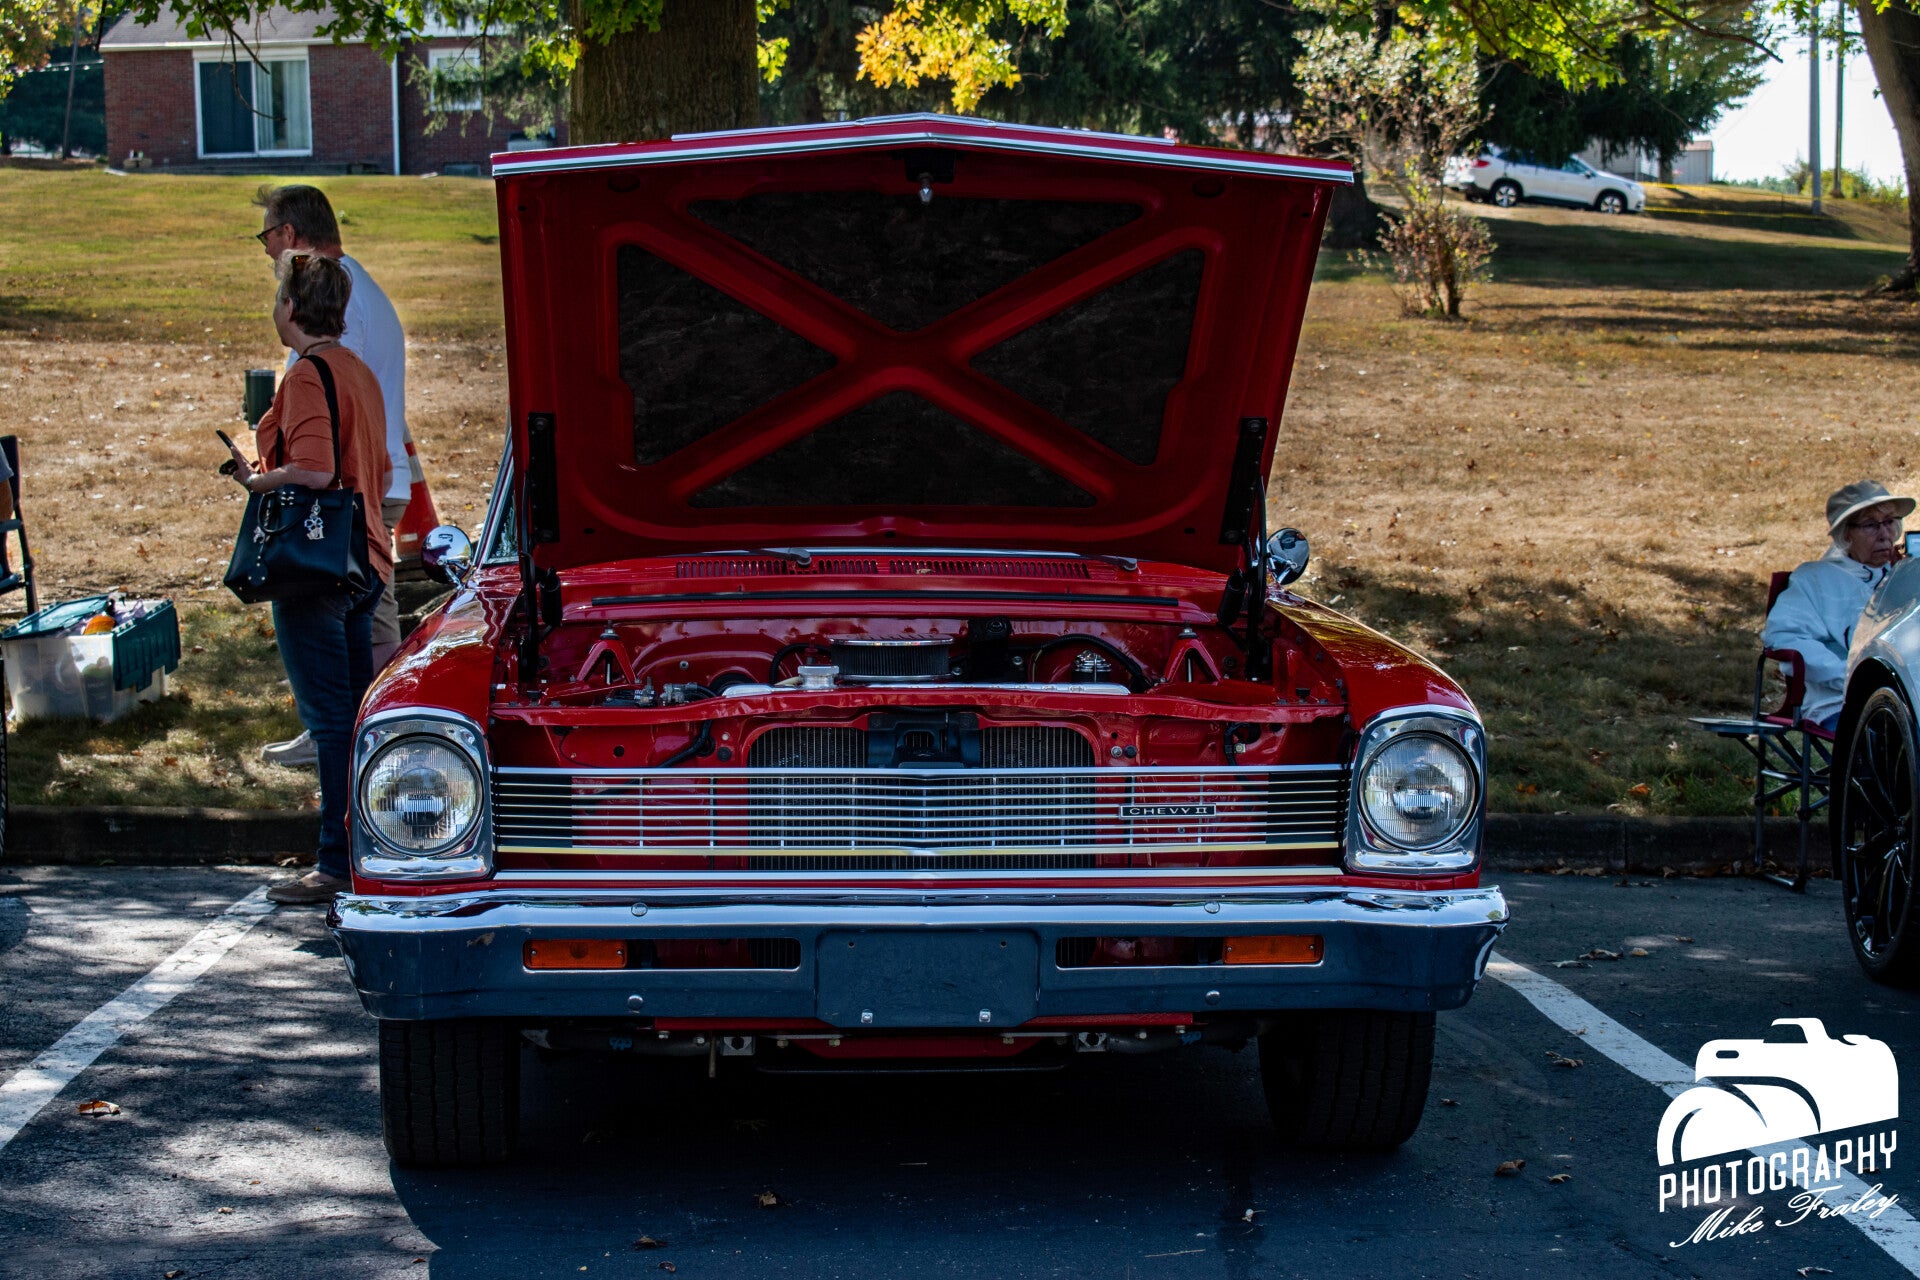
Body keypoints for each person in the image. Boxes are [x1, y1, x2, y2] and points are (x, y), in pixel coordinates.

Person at [226, 252, 394, 906]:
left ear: (292, 309)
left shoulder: (304, 376)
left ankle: (333, 861)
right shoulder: (357, 372)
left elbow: (318, 471)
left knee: (327, 719)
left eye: (277, 300)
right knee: (354, 718)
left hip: (314, 569)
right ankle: (368, 845)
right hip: (364, 561)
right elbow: (372, 469)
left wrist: (254, 479)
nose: (274, 310)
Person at [253, 184, 420, 767]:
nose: (266, 249)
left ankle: (365, 735)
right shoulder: (350, 288)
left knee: (365, 618)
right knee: (365, 613)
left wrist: (274, 475)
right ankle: (345, 730)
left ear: (292, 236)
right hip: (367, 476)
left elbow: (332, 405)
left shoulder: (336, 303)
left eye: (268, 236)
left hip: (352, 486)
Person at [1762, 479, 1916, 733]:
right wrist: (1851, 677)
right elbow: (1785, 637)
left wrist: (1906, 576)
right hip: (1840, 703)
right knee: (1889, 736)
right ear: (1845, 534)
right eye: (1870, 525)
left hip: (1910, 702)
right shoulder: (1815, 578)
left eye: (1889, 522)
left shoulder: (1905, 574)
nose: (1884, 534)